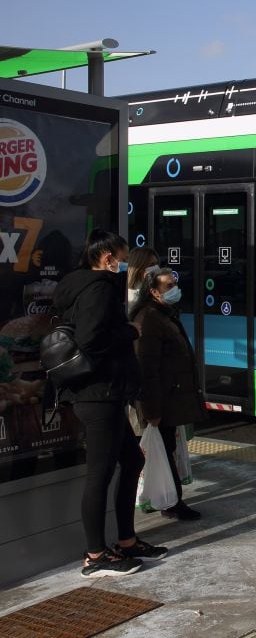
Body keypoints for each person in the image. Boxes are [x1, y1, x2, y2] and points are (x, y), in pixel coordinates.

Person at [52, 229, 167, 577]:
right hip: (97, 393)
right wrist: (131, 331)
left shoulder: (80, 284)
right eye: (121, 255)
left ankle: (127, 541)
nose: (123, 261)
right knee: (99, 475)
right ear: (107, 258)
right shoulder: (99, 288)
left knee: (131, 461)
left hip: (103, 392)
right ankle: (95, 555)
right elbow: (91, 340)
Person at [130, 267, 206, 520]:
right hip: (161, 400)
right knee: (162, 450)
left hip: (168, 397)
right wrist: (151, 411)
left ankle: (170, 499)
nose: (175, 289)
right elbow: (146, 368)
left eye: (175, 283)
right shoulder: (150, 318)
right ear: (153, 291)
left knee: (167, 449)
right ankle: (170, 502)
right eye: (168, 286)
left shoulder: (162, 314)